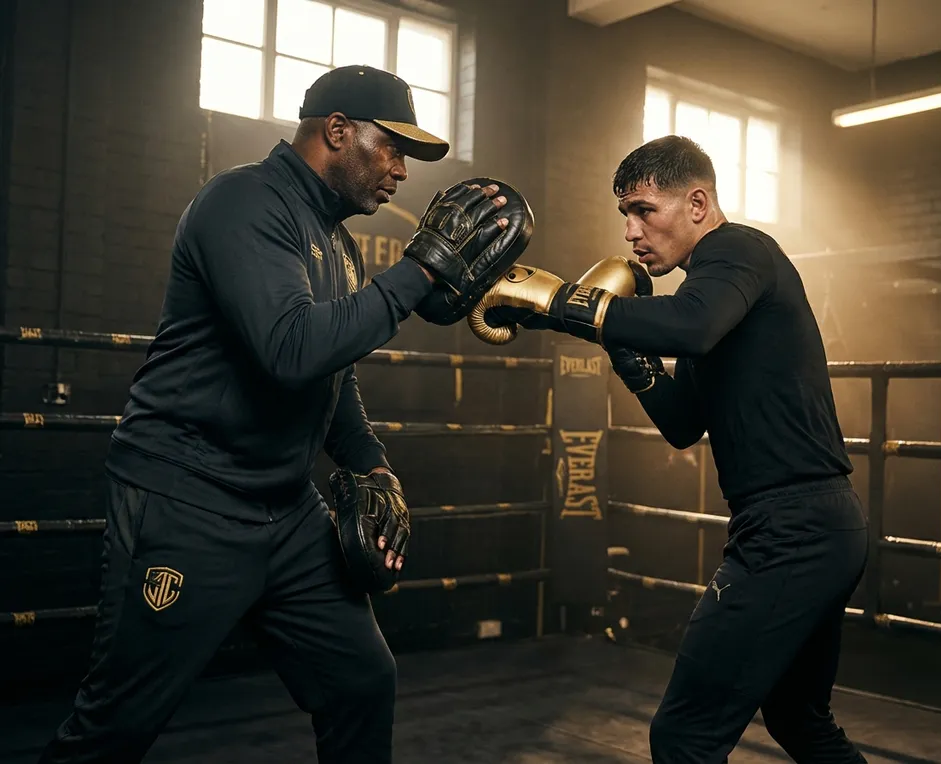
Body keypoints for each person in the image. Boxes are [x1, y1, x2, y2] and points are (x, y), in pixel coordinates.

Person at [37, 65, 518, 764]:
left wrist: (370, 461)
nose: (401, 172)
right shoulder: (242, 203)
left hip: (286, 513)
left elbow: (329, 379)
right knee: (115, 726)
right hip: (187, 500)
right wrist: (421, 268)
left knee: (361, 680)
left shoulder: (341, 245)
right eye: (392, 148)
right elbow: (290, 350)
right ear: (337, 131)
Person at [474, 135, 869, 763]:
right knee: (800, 720)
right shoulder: (713, 293)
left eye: (643, 210)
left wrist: (562, 302)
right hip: (812, 524)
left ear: (696, 202)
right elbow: (684, 422)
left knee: (684, 735)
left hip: (793, 529)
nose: (631, 231)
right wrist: (618, 341)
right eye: (624, 216)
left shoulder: (740, 251)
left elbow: (689, 325)